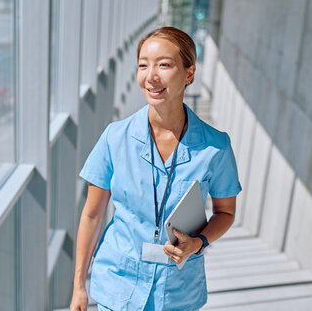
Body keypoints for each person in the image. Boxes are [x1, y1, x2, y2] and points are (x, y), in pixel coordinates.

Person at [70, 27, 241, 311]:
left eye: (164, 64)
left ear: (189, 73)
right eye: (143, 65)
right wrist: (78, 287)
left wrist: (198, 242)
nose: (151, 76)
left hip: (178, 292)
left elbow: (226, 212)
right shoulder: (115, 137)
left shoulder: (216, 147)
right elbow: (92, 214)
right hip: (118, 285)